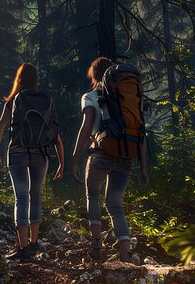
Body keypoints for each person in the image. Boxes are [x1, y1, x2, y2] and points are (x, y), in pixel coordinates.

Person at [70, 57, 148, 262]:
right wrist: (143, 169)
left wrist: (75, 158)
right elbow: (140, 133)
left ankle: (96, 247)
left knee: (93, 196)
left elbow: (86, 128)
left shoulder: (90, 96)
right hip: (126, 157)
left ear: (94, 76)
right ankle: (125, 254)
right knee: (115, 205)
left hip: (100, 154)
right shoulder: (128, 99)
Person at [0, 63, 65, 261]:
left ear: (19, 79)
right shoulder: (46, 101)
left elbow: (0, 127)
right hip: (41, 154)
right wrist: (61, 162)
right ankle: (34, 243)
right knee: (36, 196)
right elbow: (56, 134)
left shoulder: (15, 100)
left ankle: (22, 248)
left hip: (17, 152)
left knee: (21, 197)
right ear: (35, 80)